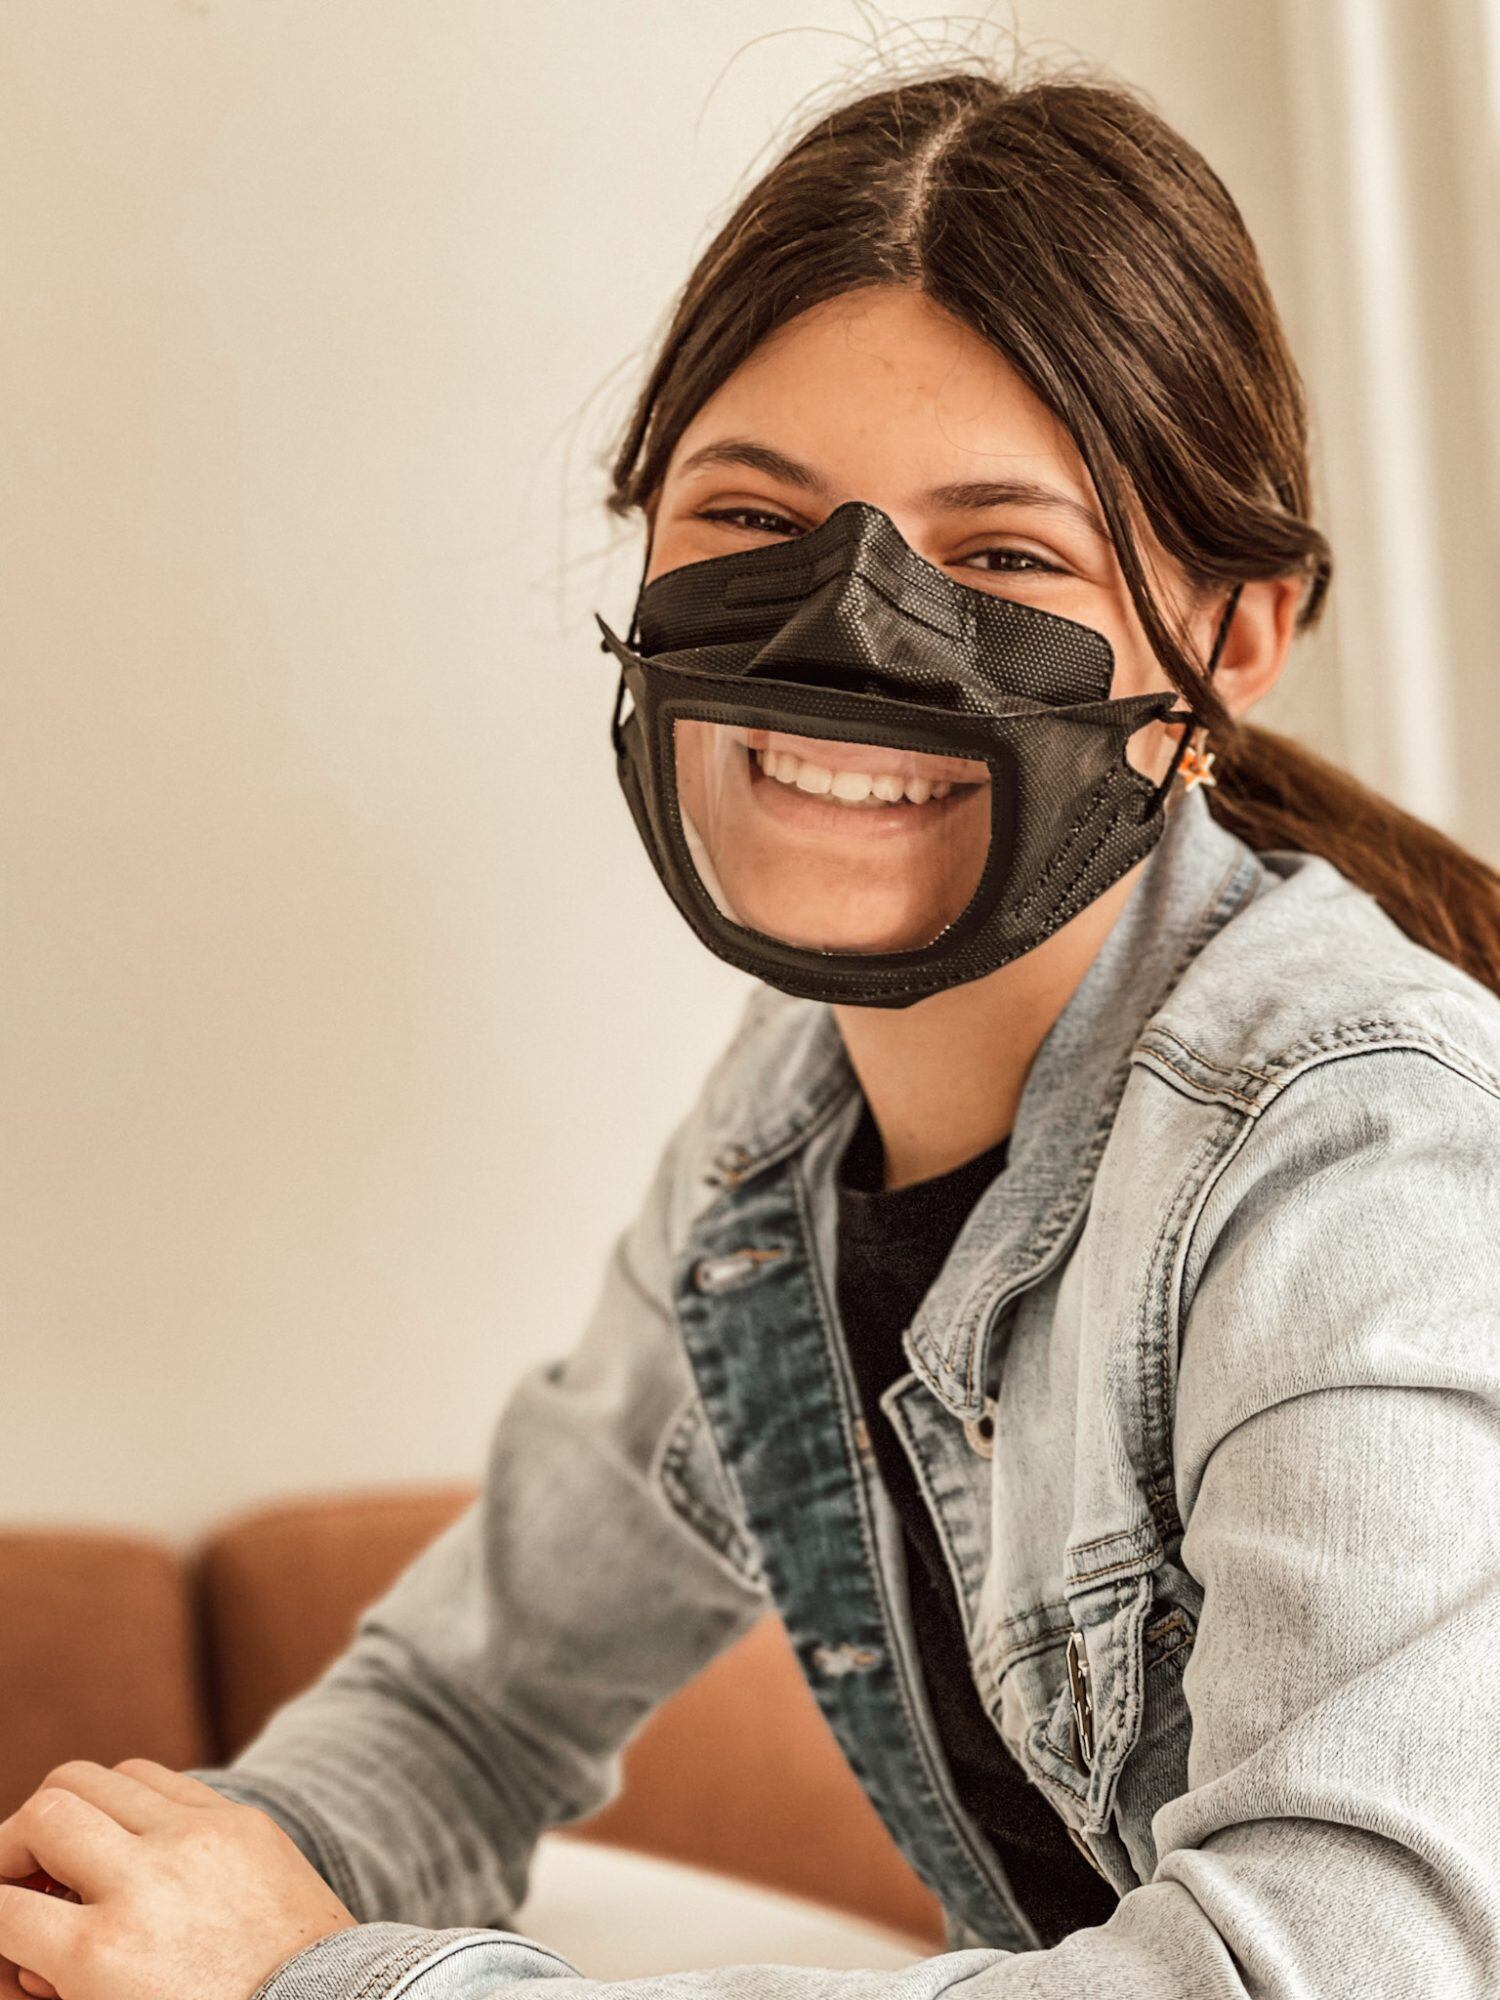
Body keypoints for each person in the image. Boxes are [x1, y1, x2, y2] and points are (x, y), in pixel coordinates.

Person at [4, 58, 1500, 2000]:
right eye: (755, 516)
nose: (849, 631)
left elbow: (1356, 1967)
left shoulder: (1367, 1149)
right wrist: (119, 1913)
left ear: (1228, 640)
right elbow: (466, 1708)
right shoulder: (780, 1142)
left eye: (1004, 555)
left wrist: (342, 1987)